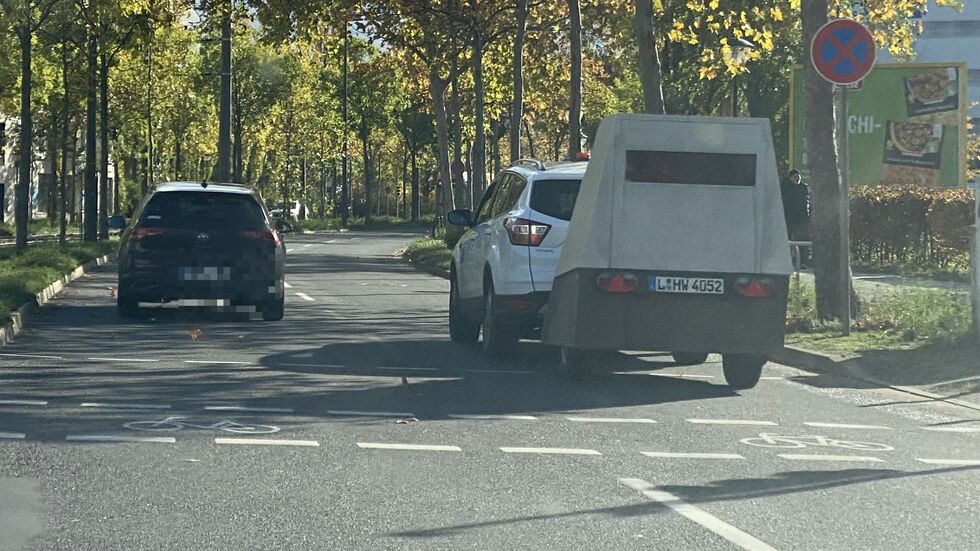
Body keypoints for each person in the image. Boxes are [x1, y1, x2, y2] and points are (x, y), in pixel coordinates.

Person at [781, 169, 811, 269]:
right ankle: (788, 261)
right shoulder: (786, 188)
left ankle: (803, 262)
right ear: (790, 178)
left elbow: (807, 202)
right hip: (789, 218)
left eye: (798, 177)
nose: (797, 179)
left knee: (803, 241)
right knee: (787, 240)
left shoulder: (803, 187)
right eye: (794, 177)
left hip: (802, 218)